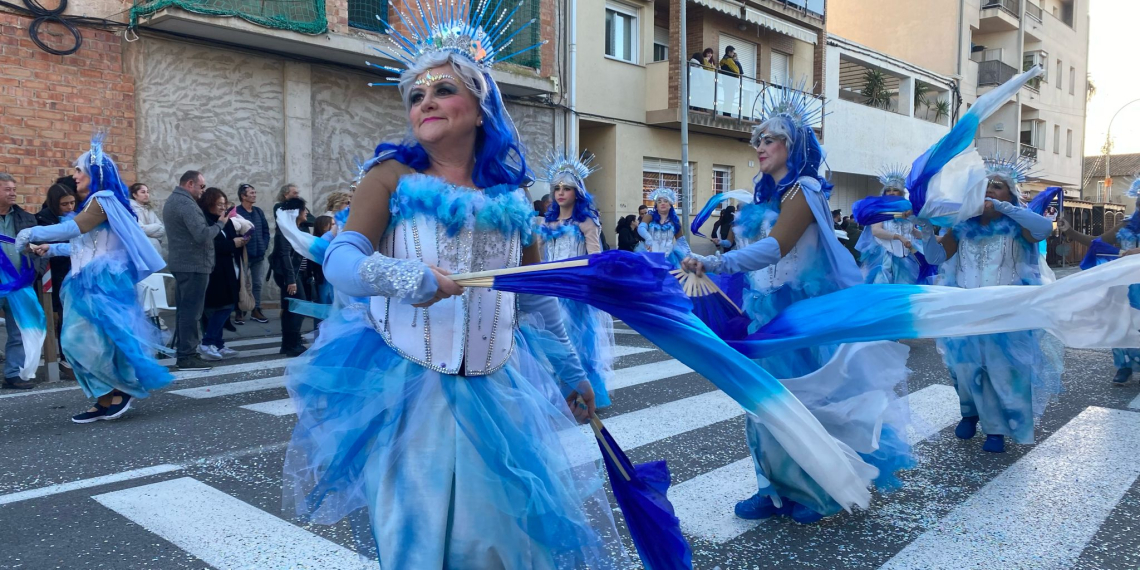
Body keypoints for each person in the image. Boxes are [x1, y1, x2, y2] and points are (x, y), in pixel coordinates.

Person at [282, 7, 627, 565]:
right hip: (406, 384)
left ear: (481, 104)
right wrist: (402, 276)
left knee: (496, 537)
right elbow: (342, 262)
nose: (427, 102)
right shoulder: (389, 176)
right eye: (416, 96)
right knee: (416, 536)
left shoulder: (513, 199)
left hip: (497, 386)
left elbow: (535, 299)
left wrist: (572, 373)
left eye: (443, 89)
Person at [682, 90, 913, 524]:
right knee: (762, 404)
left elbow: (777, 247)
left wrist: (716, 260)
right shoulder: (766, 198)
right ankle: (772, 488)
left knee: (804, 403)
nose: (760, 147)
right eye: (758, 140)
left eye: (771, 139)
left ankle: (816, 490)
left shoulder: (804, 191)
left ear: (793, 146)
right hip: (763, 314)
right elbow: (754, 253)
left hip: (798, 316)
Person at [17, 135, 171, 422]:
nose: (74, 176)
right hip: (82, 282)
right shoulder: (93, 203)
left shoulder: (103, 200)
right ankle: (104, 399)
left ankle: (120, 391)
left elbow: (77, 228)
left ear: (95, 174)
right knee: (86, 343)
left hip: (103, 283)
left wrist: (32, 233)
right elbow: (83, 243)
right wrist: (50, 248)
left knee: (84, 342)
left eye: (79, 170)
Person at [924, 155, 1060, 454]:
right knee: (963, 367)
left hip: (1006, 311)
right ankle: (969, 413)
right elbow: (936, 258)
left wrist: (1002, 208)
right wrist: (924, 231)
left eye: (997, 187)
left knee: (1001, 370)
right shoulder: (960, 227)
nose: (989, 190)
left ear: (1010, 193)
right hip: (965, 308)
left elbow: (1044, 229)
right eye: (983, 186)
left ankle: (997, 431)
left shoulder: (1019, 226)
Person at [537, 149, 614, 409]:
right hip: (551, 288)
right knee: (552, 340)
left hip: (575, 290)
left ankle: (580, 393)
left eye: (566, 188)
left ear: (577, 192)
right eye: (556, 188)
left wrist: (587, 281)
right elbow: (538, 256)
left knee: (576, 341)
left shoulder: (586, 222)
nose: (560, 192)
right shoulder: (546, 224)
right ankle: (558, 393)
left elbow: (595, 257)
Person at [1059, 181, 1140, 384]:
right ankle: (1124, 366)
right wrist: (1069, 231)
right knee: (1122, 324)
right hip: (1125, 285)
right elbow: (1098, 243)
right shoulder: (1126, 225)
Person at [163, 170, 219, 371]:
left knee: (185, 311)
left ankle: (185, 352)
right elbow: (202, 235)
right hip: (193, 265)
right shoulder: (185, 203)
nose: (203, 191)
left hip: (184, 264)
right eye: (201, 186)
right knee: (191, 312)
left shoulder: (174, 200)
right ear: (189, 184)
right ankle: (187, 355)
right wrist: (220, 224)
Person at [198, 189, 251, 360]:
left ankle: (218, 344)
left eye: (225, 204)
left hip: (229, 268)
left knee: (227, 305)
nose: (223, 208)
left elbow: (230, 240)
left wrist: (241, 241)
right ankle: (207, 343)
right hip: (214, 271)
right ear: (210, 204)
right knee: (222, 307)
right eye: (219, 204)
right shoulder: (205, 220)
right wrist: (232, 244)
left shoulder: (225, 220)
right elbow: (211, 245)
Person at [0, 173, 41, 390]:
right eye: (7, 189)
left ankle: (14, 374)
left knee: (18, 331)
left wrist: (35, 271)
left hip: (20, 284)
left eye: (14, 189)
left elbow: (39, 248)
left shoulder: (26, 219)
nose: (13, 192)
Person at [855, 167, 926, 284]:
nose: (891, 193)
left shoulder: (908, 210)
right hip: (884, 258)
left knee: (905, 293)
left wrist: (932, 237)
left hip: (907, 258)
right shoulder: (879, 209)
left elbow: (912, 231)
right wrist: (898, 237)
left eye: (895, 190)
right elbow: (876, 231)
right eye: (888, 190)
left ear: (901, 192)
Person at [36, 182, 77, 381]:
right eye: (64, 204)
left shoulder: (78, 217)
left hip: (76, 272)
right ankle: (65, 359)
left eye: (72, 203)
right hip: (56, 275)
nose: (70, 208)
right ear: (54, 204)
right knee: (62, 318)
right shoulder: (44, 220)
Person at [269, 197, 310, 357]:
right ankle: (293, 344)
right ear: (296, 212)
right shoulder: (286, 230)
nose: (307, 212)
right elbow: (285, 256)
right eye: (304, 209)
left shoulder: (293, 228)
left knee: (289, 309)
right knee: (298, 307)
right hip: (289, 275)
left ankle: (288, 344)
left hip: (292, 274)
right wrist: (291, 280)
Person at [234, 183, 270, 325]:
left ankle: (256, 309)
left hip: (259, 255)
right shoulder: (236, 212)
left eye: (255, 192)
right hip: (243, 255)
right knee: (240, 283)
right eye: (251, 193)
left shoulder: (258, 212)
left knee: (257, 283)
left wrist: (264, 245)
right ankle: (239, 310)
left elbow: (266, 231)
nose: (255, 195)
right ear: (243, 196)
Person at [637, 188, 691, 266]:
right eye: (659, 202)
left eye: (666, 201)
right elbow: (641, 228)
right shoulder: (649, 217)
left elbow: (681, 241)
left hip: (668, 259)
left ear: (670, 205)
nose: (662, 203)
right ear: (656, 205)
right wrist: (648, 238)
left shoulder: (675, 221)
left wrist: (689, 255)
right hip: (649, 257)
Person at [129, 183, 165, 256]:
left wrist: (149, 231)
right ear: (135, 195)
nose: (146, 195)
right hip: (140, 249)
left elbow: (162, 230)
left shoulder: (148, 208)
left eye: (147, 192)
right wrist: (157, 226)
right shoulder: (131, 210)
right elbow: (140, 230)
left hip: (155, 248)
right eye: (143, 192)